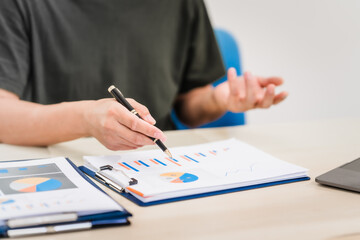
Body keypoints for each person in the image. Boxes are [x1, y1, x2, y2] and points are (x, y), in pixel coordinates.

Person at [0, 0, 287, 151]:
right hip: (55, 162)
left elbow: (188, 105)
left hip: (154, 167)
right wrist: (87, 118)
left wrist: (216, 99)